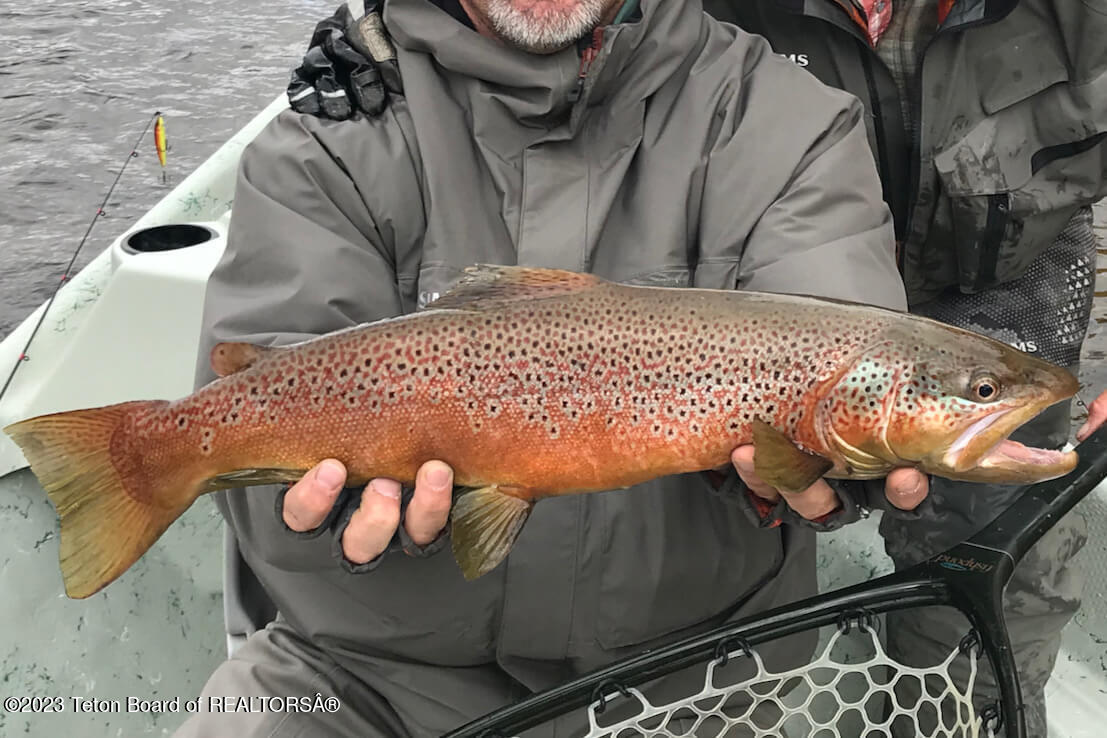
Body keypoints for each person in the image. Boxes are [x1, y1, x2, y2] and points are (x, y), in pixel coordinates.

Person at [284, 0, 1107, 735]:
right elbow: (563, 45)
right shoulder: (705, 48)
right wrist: (399, 28)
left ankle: (971, 714)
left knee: (999, 578)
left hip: (1002, 285)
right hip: (824, 298)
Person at [174, 0, 933, 735]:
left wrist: (837, 465)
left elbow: (837, 328)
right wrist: (318, 509)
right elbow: (255, 428)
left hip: (704, 679)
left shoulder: (787, 121)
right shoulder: (332, 132)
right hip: (364, 682)